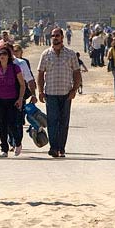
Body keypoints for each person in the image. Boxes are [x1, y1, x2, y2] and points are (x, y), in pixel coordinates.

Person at [37, 27, 81, 158]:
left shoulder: (71, 54)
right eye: (53, 36)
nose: (55, 38)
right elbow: (40, 73)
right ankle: (54, 147)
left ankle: (61, 148)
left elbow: (77, 73)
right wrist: (40, 90)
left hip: (66, 93)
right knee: (52, 121)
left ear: (62, 37)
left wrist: (74, 90)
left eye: (57, 35)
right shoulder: (45, 54)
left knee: (63, 122)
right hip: (50, 93)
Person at [0, 46, 25, 157]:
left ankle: (17, 143)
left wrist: (20, 98)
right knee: (2, 125)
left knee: (12, 124)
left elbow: (22, 85)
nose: (2, 56)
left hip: (12, 100)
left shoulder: (15, 68)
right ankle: (4, 149)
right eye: (0, 54)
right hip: (0, 100)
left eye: (4, 54)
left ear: (9, 56)